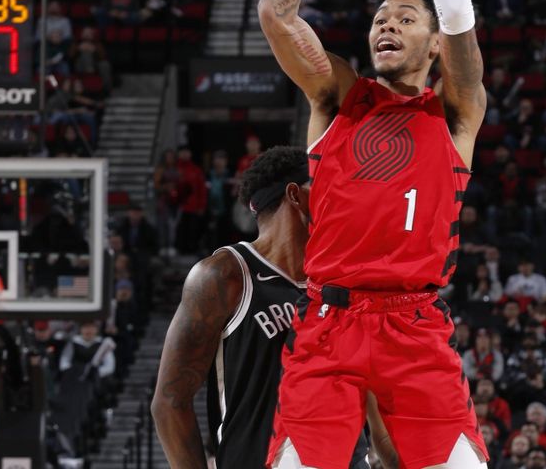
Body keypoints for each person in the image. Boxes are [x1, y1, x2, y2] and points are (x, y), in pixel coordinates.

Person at [256, 0, 488, 466]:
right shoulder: (337, 98)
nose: (387, 24)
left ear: (434, 45)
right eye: (381, 18)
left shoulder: (455, 112)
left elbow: (458, 14)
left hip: (415, 328)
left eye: (406, 18)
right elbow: (277, 15)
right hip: (329, 324)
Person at [151, 148, 380, 468]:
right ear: (296, 195)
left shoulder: (347, 280)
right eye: (329, 189)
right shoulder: (226, 274)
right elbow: (170, 402)